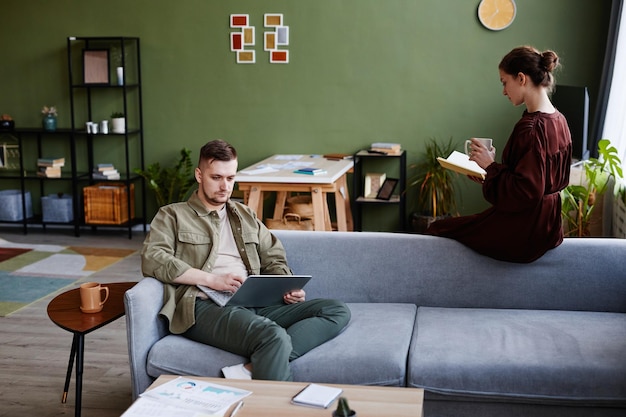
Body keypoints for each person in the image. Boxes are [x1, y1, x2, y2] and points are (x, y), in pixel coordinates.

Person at [141, 139, 351, 381]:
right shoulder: (172, 215)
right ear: (199, 175)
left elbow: (273, 255)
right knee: (272, 336)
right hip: (204, 306)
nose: (224, 186)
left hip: (255, 300)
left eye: (230, 178)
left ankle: (253, 367)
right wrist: (212, 280)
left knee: (335, 309)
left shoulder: (245, 214)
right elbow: (153, 258)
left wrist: (285, 286)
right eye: (216, 177)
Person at [426, 46, 572, 263]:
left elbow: (526, 193)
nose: (504, 91)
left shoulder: (531, 128)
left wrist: (492, 168)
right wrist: (489, 172)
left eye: (505, 82)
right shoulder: (559, 120)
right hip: (549, 226)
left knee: (437, 228)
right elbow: (537, 181)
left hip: (525, 230)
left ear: (521, 78)